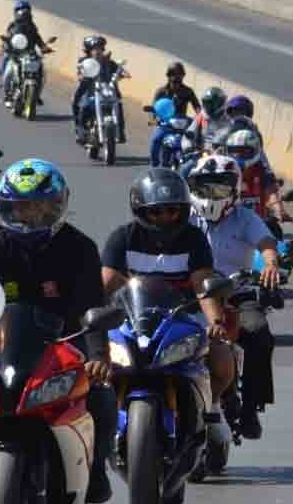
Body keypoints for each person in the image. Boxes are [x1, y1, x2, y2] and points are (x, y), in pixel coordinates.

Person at [0, 158, 115, 504]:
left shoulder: (79, 248)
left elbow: (93, 305)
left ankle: (96, 468)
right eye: (22, 207)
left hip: (63, 347)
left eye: (40, 207)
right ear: (6, 208)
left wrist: (99, 356)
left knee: (101, 395)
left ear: (58, 206)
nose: (31, 216)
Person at [100, 169, 234, 439]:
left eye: (172, 211)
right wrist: (92, 320)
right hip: (132, 321)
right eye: (156, 212)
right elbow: (107, 284)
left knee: (221, 361)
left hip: (182, 319)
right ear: (140, 210)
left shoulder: (194, 239)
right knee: (96, 372)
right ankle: (101, 429)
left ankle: (212, 407)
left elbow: (202, 286)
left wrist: (216, 324)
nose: (165, 218)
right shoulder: (122, 238)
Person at [186, 154, 282, 439]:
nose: (213, 194)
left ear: (236, 188)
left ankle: (251, 405)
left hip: (236, 292)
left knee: (258, 333)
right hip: (191, 296)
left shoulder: (246, 217)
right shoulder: (185, 217)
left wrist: (270, 264)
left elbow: (266, 243)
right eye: (206, 186)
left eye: (221, 187)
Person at [71, 35, 128, 145]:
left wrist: (123, 73)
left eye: (100, 48)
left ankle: (120, 131)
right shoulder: (84, 61)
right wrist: (81, 75)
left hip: (107, 92)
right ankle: (81, 130)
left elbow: (119, 70)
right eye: (94, 49)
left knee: (119, 105)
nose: (97, 51)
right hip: (91, 94)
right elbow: (80, 72)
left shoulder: (108, 62)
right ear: (89, 51)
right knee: (80, 104)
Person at [0, 0, 53, 98]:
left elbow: (37, 38)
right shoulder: (13, 26)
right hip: (15, 53)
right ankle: (5, 86)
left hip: (29, 54)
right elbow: (8, 36)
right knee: (6, 65)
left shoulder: (32, 27)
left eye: (25, 10)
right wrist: (6, 43)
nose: (23, 13)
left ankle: (37, 93)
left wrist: (44, 47)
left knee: (41, 70)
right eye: (20, 10)